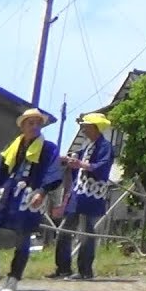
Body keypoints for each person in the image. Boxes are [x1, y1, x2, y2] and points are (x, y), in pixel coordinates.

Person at [0, 108, 62, 291]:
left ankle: (14, 278)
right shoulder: (14, 146)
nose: (35, 126)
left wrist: (42, 191)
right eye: (30, 123)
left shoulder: (49, 147)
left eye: (38, 123)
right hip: (8, 193)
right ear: (22, 126)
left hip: (30, 196)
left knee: (23, 236)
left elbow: (53, 170)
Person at [49, 112, 115, 280]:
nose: (83, 129)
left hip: (92, 195)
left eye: (85, 126)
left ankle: (85, 270)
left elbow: (101, 167)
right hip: (78, 194)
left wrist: (81, 164)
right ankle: (63, 268)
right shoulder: (87, 147)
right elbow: (75, 158)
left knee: (86, 232)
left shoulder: (105, 147)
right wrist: (67, 159)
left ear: (95, 127)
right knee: (64, 229)